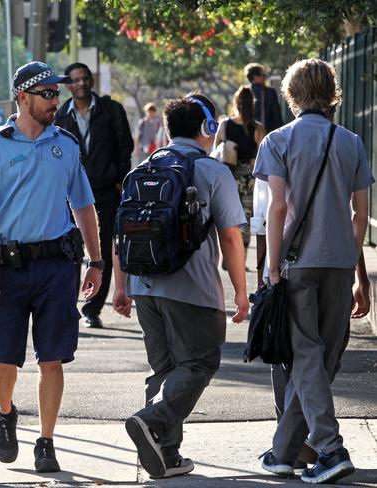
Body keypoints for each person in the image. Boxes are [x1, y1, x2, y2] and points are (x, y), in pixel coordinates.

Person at [0, 61, 102, 473]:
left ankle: (46, 441)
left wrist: (96, 261)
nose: (55, 101)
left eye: (56, 93)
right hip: (6, 267)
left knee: (53, 356)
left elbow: (83, 205)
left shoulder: (66, 144)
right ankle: (6, 414)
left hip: (57, 266)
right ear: (22, 97)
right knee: (1, 357)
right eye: (47, 94)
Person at [112, 94, 249, 479]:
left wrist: (120, 287)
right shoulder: (212, 171)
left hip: (143, 285)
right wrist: (239, 292)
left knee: (164, 370)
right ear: (207, 128)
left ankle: (166, 455)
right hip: (192, 288)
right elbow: (231, 238)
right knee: (201, 361)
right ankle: (152, 420)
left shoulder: (142, 168)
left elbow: (121, 231)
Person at [254, 58, 373, 484]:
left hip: (297, 261)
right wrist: (353, 261)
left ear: (292, 93)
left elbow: (278, 208)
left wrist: (271, 266)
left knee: (305, 356)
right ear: (331, 92)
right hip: (340, 261)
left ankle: (330, 448)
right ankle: (283, 452)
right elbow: (360, 213)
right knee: (322, 358)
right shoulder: (351, 141)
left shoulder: (277, 140)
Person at [54, 62, 134, 329]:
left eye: (85, 78)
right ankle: (68, 305)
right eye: (75, 80)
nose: (81, 84)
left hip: (105, 189)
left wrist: (119, 179)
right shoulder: (60, 116)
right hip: (69, 192)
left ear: (91, 81)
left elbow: (126, 146)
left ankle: (92, 307)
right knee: (70, 247)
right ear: (68, 85)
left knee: (100, 248)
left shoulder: (111, 110)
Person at [214, 85, 266, 259]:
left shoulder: (224, 125)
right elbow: (261, 156)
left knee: (228, 216)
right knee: (246, 218)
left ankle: (228, 255)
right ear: (253, 104)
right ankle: (240, 257)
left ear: (236, 102)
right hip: (250, 178)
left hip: (228, 177)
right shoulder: (258, 128)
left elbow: (216, 151)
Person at [245, 63, 284, 133]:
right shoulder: (270, 92)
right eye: (263, 75)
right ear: (255, 77)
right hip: (268, 133)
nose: (265, 77)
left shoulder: (244, 92)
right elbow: (277, 117)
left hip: (249, 134)